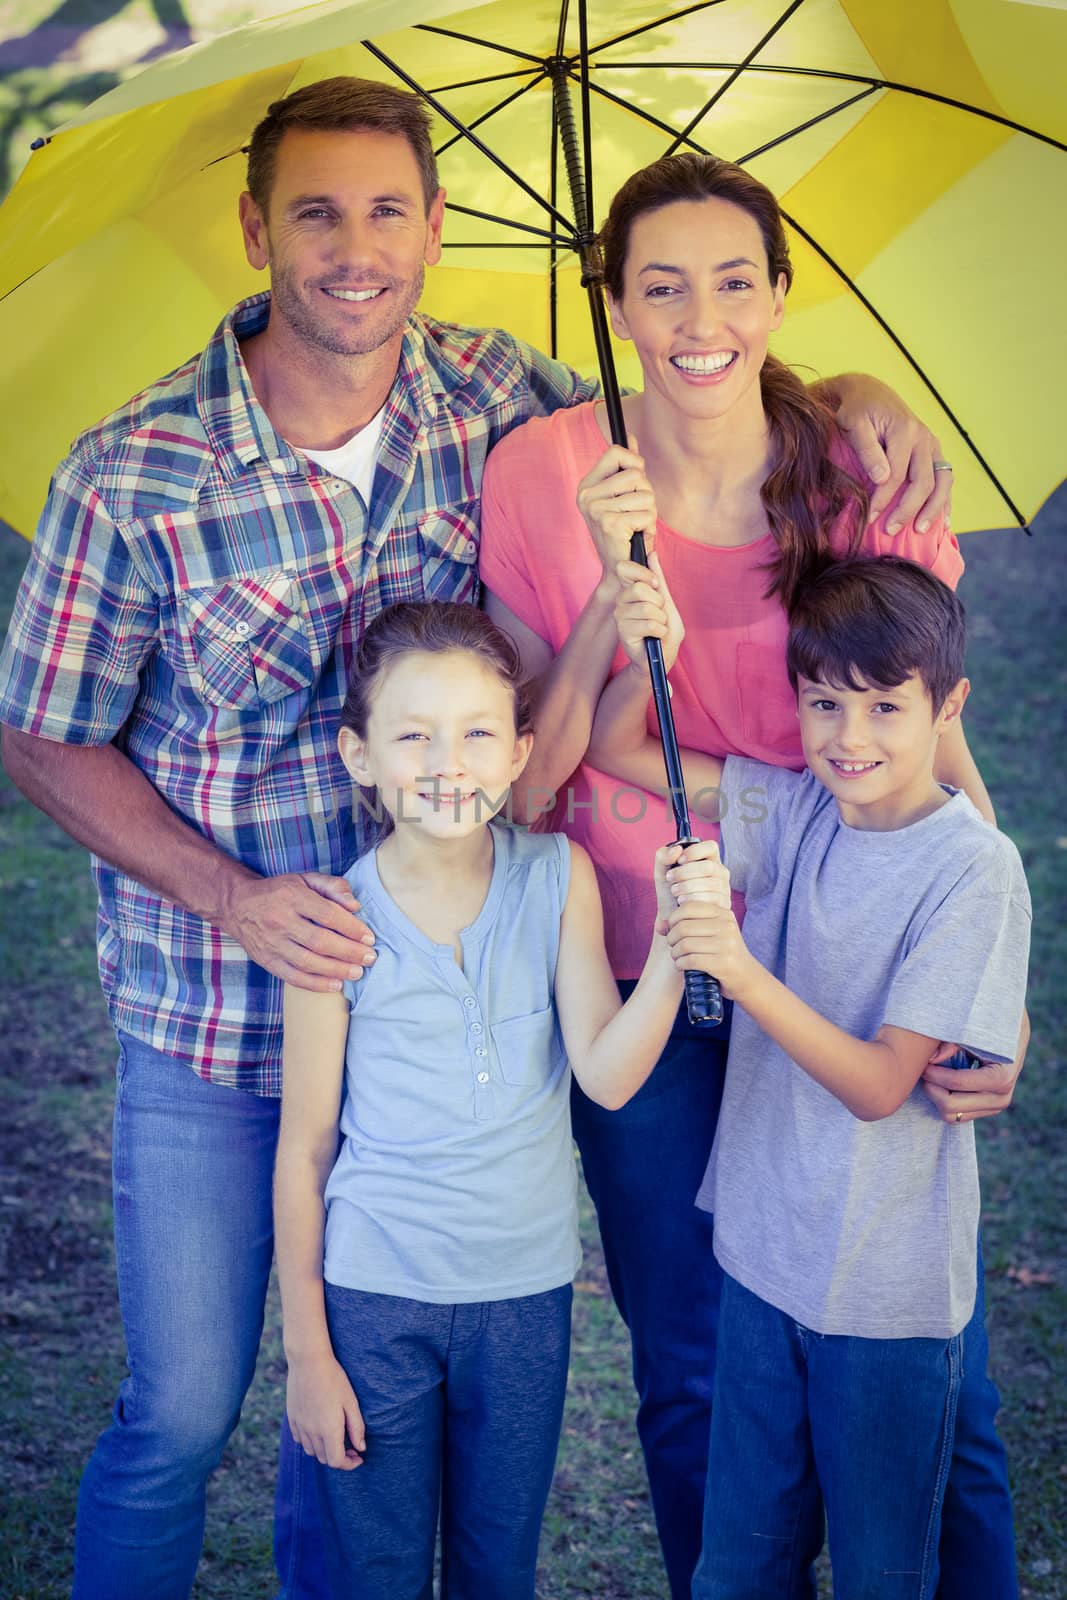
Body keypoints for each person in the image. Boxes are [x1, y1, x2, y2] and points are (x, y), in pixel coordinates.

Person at [0, 74, 959, 1599]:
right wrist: (233, 896)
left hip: (452, 1014)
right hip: (224, 1008)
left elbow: (695, 363)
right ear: (253, 231)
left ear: (437, 230)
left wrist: (846, 399)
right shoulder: (135, 475)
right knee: (183, 1411)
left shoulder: (498, 400)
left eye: (388, 210)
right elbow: (38, 729)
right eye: (313, 211)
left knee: (418, 1387)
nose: (354, 246)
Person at [478, 151, 1027, 1598]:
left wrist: (991, 995)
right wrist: (607, 593)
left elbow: (930, 745)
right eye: (655, 286)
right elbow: (531, 782)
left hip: (845, 959)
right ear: (607, 301)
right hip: (643, 960)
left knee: (930, 1358)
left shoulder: (863, 468)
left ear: (783, 295)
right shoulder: (540, 478)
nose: (697, 317)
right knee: (689, 1362)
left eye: (734, 280)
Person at [593, 553, 1031, 1597]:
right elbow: (620, 741)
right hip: (761, 1261)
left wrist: (737, 970)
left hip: (883, 1294)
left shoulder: (970, 868)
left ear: (947, 705)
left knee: (883, 1569)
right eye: (823, 702)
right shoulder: (790, 812)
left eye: (885, 706)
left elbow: (883, 1083)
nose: (848, 737)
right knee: (739, 1560)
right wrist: (654, 647)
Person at [274, 599, 716, 1598]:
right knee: (377, 1569)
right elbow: (303, 1151)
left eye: (477, 732)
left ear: (521, 752)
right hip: (376, 1297)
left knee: (495, 1569)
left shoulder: (555, 876)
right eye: (413, 734)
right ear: (359, 754)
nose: (447, 761)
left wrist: (671, 950)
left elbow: (604, 1072)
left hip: (522, 1296)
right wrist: (307, 1351)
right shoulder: (332, 921)